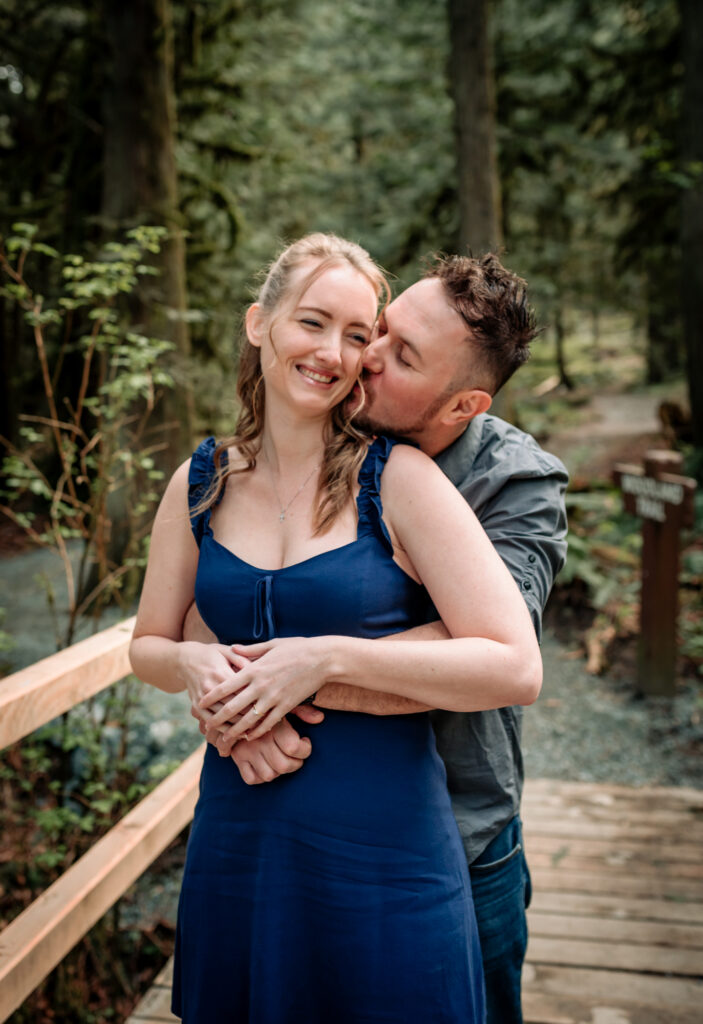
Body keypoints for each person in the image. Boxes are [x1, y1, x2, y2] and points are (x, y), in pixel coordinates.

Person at [130, 233, 543, 1024]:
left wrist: (315, 663)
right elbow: (149, 643)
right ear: (259, 324)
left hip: (383, 845)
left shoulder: (401, 481)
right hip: (239, 835)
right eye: (314, 323)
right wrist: (196, 668)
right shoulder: (201, 480)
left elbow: (512, 662)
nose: (341, 352)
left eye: (360, 335)